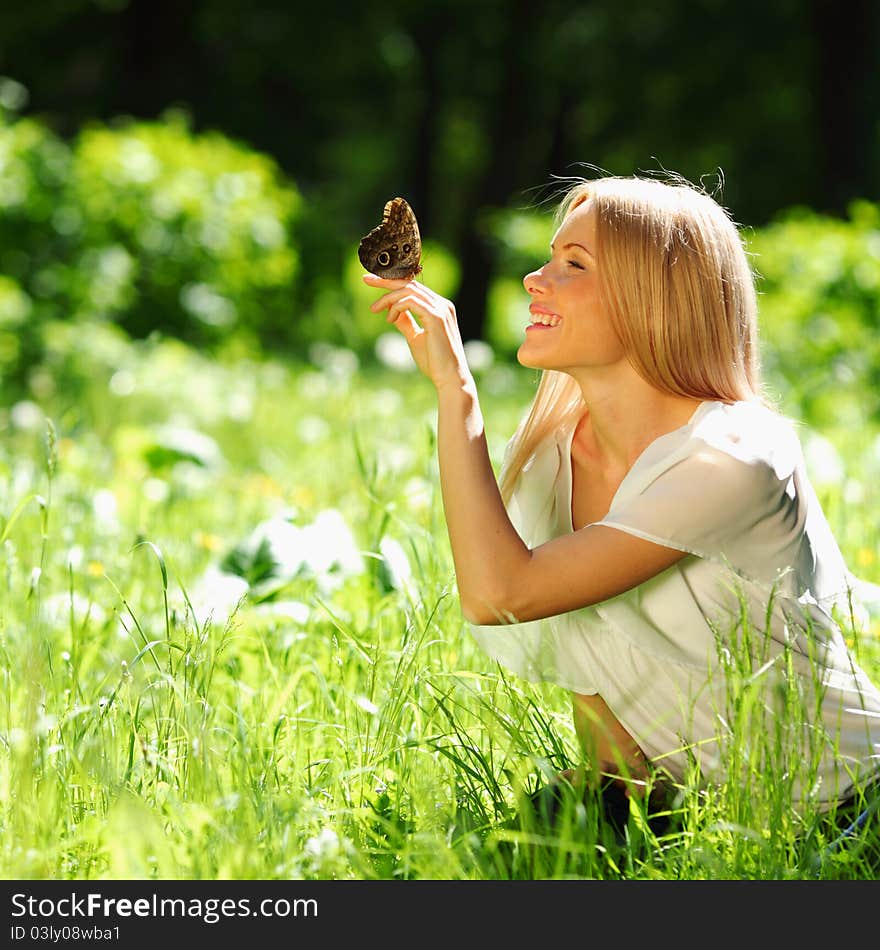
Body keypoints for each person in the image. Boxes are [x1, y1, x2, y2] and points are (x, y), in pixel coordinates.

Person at [362, 174, 880, 839]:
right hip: (697, 809)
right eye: (550, 257)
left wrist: (456, 389)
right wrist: (616, 817)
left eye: (573, 264)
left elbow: (497, 593)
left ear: (655, 299)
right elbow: (594, 683)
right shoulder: (548, 455)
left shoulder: (732, 458)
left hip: (850, 809)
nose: (534, 279)